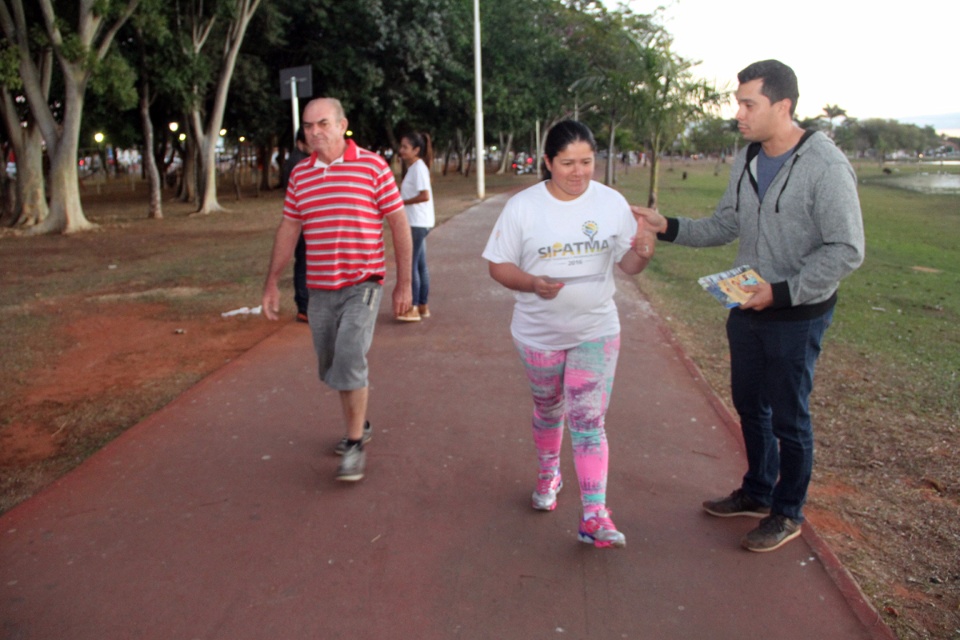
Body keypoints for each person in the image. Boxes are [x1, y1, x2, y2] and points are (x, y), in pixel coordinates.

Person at [633, 60, 865, 552]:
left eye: (748, 104)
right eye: (738, 102)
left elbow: (846, 249)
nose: (738, 113)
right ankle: (758, 491)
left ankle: (787, 512)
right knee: (748, 405)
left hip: (795, 314)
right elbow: (724, 224)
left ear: (782, 106)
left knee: (789, 418)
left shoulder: (825, 165)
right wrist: (666, 225)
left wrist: (780, 293)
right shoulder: (749, 158)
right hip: (746, 307)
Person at [482, 120, 656, 549]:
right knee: (548, 407)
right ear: (547, 163)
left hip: (595, 329)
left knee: (588, 420)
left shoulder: (610, 203)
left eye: (586, 162)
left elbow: (627, 267)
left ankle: (595, 515)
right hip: (537, 332)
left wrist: (642, 252)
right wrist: (532, 284)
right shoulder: (523, 207)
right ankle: (548, 474)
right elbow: (498, 266)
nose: (578, 172)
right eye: (566, 163)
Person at [262, 97, 414, 482]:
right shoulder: (301, 176)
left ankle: (353, 445)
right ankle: (359, 425)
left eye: (323, 124)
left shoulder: (372, 166)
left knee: (348, 356)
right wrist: (271, 283)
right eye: (308, 126)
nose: (315, 132)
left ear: (342, 124)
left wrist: (404, 283)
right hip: (320, 290)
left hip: (362, 283)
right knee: (332, 365)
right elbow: (289, 229)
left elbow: (398, 223)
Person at [395, 131, 435, 322]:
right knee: (419, 265)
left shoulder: (418, 168)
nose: (401, 150)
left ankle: (412, 307)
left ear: (416, 150)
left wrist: (402, 202)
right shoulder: (415, 167)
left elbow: (424, 195)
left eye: (405, 147)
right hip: (419, 222)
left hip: (417, 223)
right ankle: (422, 306)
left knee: (410, 265)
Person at [279, 127, 311, 322]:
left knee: (305, 262)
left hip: (302, 220)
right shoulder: (298, 163)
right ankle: (304, 306)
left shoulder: (297, 160)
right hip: (302, 221)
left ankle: (305, 304)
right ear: (300, 143)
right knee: (304, 263)